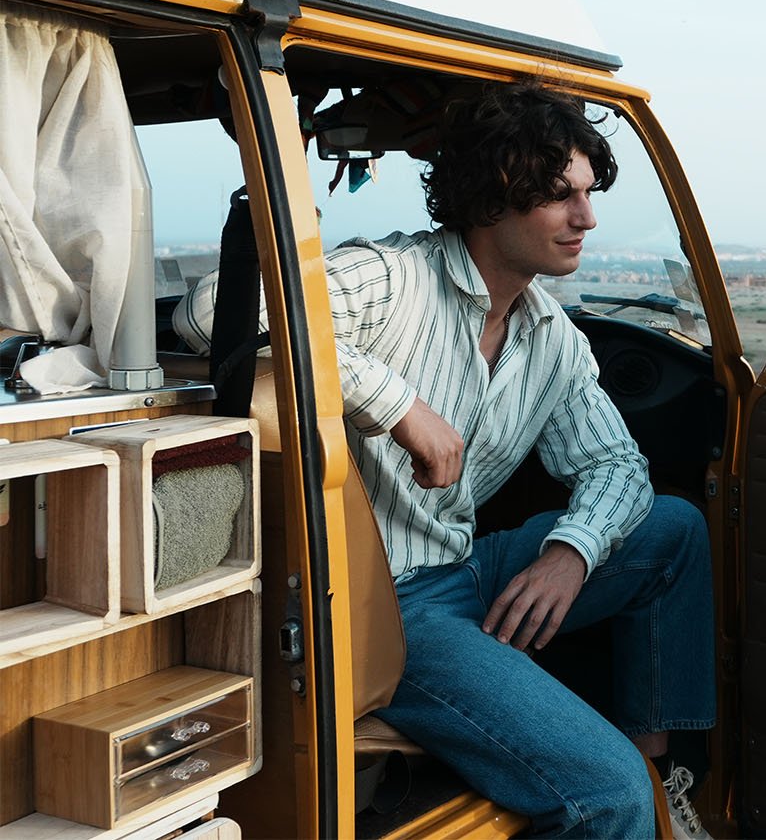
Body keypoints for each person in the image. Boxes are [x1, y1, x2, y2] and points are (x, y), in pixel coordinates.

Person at [176, 81, 714, 839]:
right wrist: (395, 405)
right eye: (561, 196)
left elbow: (619, 466)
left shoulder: (550, 335)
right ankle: (631, 795)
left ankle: (662, 779)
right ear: (494, 198)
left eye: (588, 194)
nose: (586, 218)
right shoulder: (395, 280)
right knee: (605, 793)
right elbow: (210, 313)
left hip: (465, 572)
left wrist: (571, 552)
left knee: (674, 527)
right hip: (381, 608)